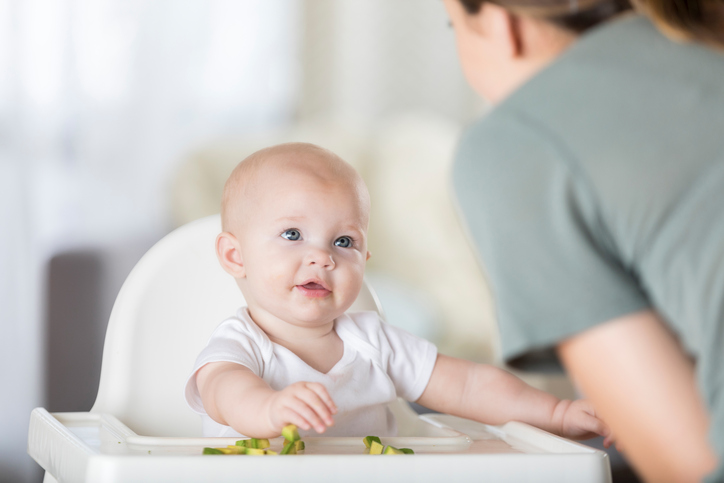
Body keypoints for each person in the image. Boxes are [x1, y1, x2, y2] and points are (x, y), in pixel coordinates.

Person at [443, 0, 724, 481]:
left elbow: (686, 462)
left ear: (500, 22)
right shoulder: (703, 52)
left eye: (453, 25)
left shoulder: (517, 141)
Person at [184, 141, 610, 445]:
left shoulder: (374, 342)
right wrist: (270, 410)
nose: (323, 258)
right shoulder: (240, 343)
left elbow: (468, 385)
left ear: (366, 257)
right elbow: (224, 392)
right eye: (293, 234)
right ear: (235, 256)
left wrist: (556, 414)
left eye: (344, 242)